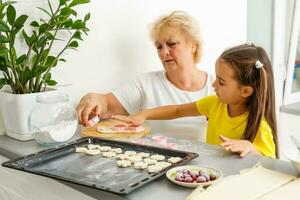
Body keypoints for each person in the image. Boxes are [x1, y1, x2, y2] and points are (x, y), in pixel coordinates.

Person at [112, 43, 278, 158]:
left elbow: (271, 166)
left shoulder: (260, 127)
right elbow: (177, 111)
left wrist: (251, 148)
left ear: (246, 91)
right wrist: (144, 114)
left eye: (221, 82)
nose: (213, 84)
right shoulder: (215, 104)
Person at [76, 11, 213, 141]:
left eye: (172, 44)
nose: (164, 52)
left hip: (202, 165)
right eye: (159, 47)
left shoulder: (217, 87)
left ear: (194, 46)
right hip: (156, 163)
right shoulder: (145, 83)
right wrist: (92, 99)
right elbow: (105, 103)